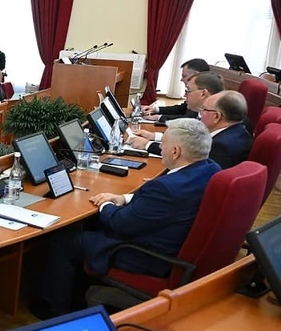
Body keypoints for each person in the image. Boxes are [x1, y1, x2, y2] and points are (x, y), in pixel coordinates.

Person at [31, 118, 221, 318]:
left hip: (144, 255)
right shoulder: (211, 168)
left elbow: (120, 223)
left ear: (175, 152)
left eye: (163, 144)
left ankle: (55, 310)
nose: (160, 148)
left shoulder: (166, 189)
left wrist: (104, 203)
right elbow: (160, 206)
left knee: (65, 240)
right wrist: (124, 198)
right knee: (88, 225)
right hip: (168, 238)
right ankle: (75, 288)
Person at [129, 90, 252, 170]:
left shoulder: (222, 146)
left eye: (204, 110)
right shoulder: (238, 132)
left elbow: (185, 158)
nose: (200, 114)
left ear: (217, 116)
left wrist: (147, 145)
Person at [129, 72, 224, 147]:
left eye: (188, 91)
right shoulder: (202, 113)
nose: (184, 95)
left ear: (203, 93)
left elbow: (188, 149)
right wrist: (154, 136)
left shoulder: (211, 118)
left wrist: (147, 145)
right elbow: (187, 138)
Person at [143, 58, 210, 121]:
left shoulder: (204, 94)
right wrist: (156, 109)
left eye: (184, 76)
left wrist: (159, 117)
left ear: (196, 75)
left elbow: (189, 118)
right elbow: (181, 109)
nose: (181, 79)